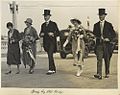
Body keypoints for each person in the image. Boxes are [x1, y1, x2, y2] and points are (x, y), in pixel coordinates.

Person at [93, 8, 116, 79]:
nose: (101, 16)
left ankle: (107, 73)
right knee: (99, 59)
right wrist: (96, 37)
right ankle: (99, 74)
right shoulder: (96, 25)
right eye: (100, 15)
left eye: (102, 15)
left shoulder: (109, 25)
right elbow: (94, 34)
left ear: (105, 16)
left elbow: (113, 34)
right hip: (99, 45)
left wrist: (108, 39)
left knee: (107, 59)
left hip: (107, 45)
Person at [39, 9, 60, 75]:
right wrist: (41, 34)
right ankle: (53, 69)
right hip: (46, 43)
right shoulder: (43, 25)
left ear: (49, 16)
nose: (45, 17)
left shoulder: (53, 24)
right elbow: (40, 33)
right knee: (49, 55)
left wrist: (53, 34)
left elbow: (58, 33)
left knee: (50, 55)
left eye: (46, 16)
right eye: (44, 16)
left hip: (52, 42)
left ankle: (50, 69)